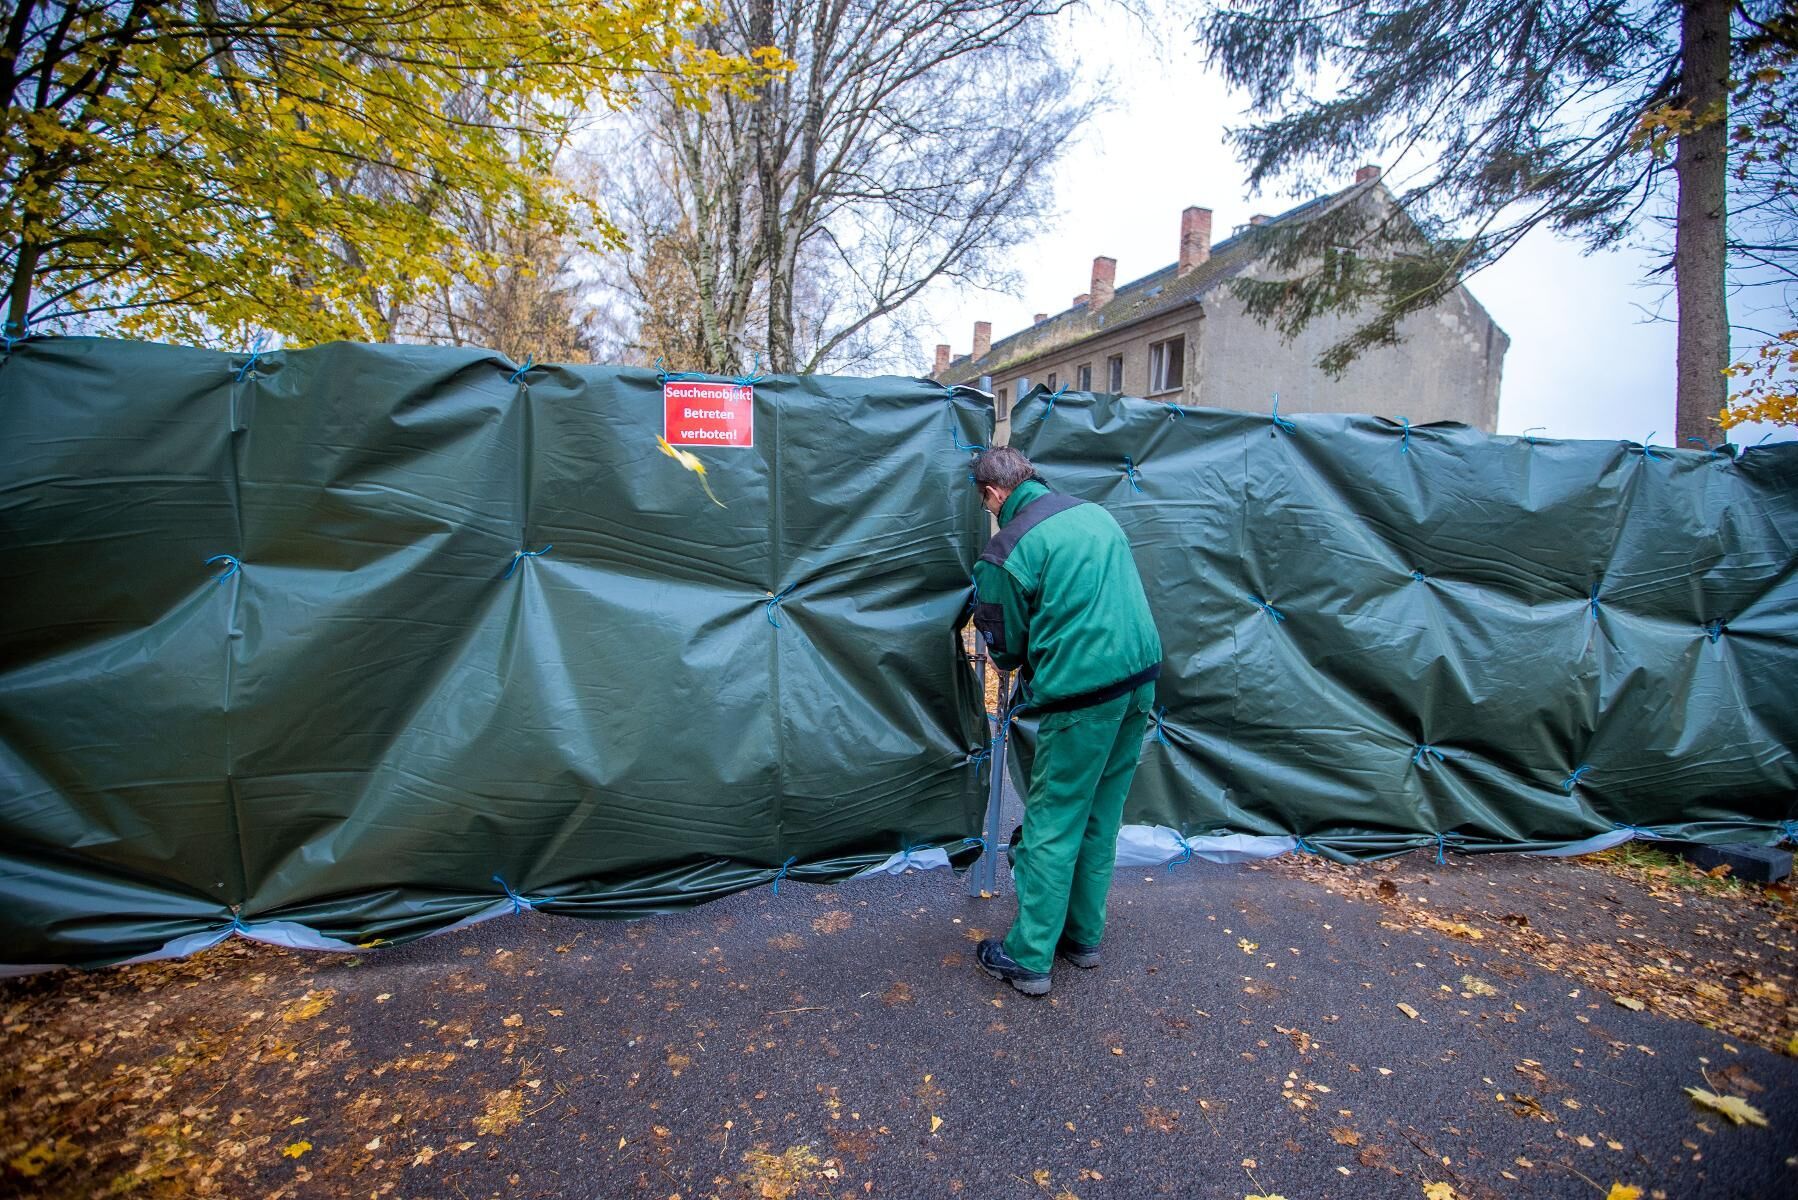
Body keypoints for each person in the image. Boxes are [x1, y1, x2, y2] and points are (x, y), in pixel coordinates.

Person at [967, 446, 1163, 996]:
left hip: (1081, 693)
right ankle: (1083, 937)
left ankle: (1029, 957)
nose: (990, 513)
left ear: (993, 493)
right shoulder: (1093, 513)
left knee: (1053, 822)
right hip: (1140, 679)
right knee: (1101, 813)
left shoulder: (1005, 551)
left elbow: (1007, 650)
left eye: (986, 504)